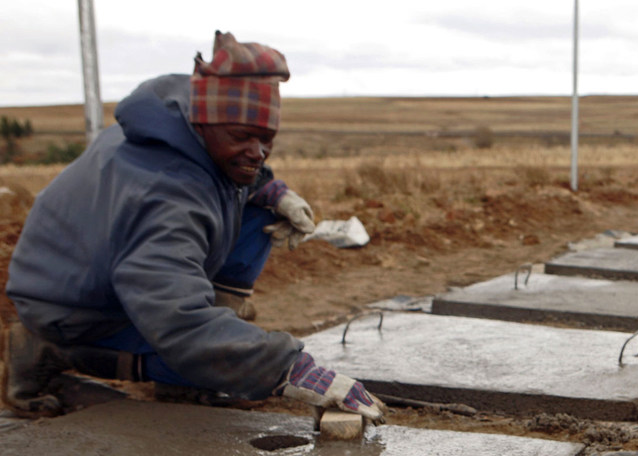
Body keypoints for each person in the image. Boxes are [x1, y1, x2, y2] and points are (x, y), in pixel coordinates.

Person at [3, 31, 389, 423]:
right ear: (205, 125)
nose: (257, 152)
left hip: (117, 272)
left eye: (266, 139)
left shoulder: (186, 124)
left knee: (261, 211)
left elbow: (234, 163)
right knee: (197, 355)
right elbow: (179, 323)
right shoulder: (165, 196)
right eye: (242, 138)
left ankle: (208, 348)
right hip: (71, 306)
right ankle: (46, 349)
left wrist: (271, 191)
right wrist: (290, 369)